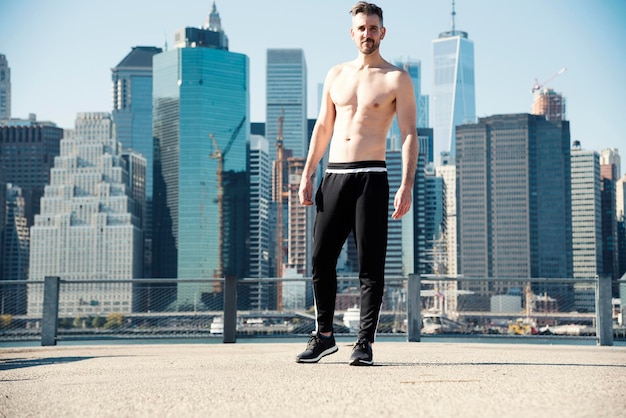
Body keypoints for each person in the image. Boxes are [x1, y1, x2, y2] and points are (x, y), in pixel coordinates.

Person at [295, 1, 418, 366]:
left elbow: (409, 134)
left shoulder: (396, 78)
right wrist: (307, 173)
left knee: (370, 265)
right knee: (320, 259)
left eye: (373, 27)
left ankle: (363, 342)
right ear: (353, 33)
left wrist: (406, 184)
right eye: (361, 28)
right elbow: (322, 127)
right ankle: (324, 336)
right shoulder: (336, 75)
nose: (368, 34)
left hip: (372, 177)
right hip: (334, 174)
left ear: (383, 32)